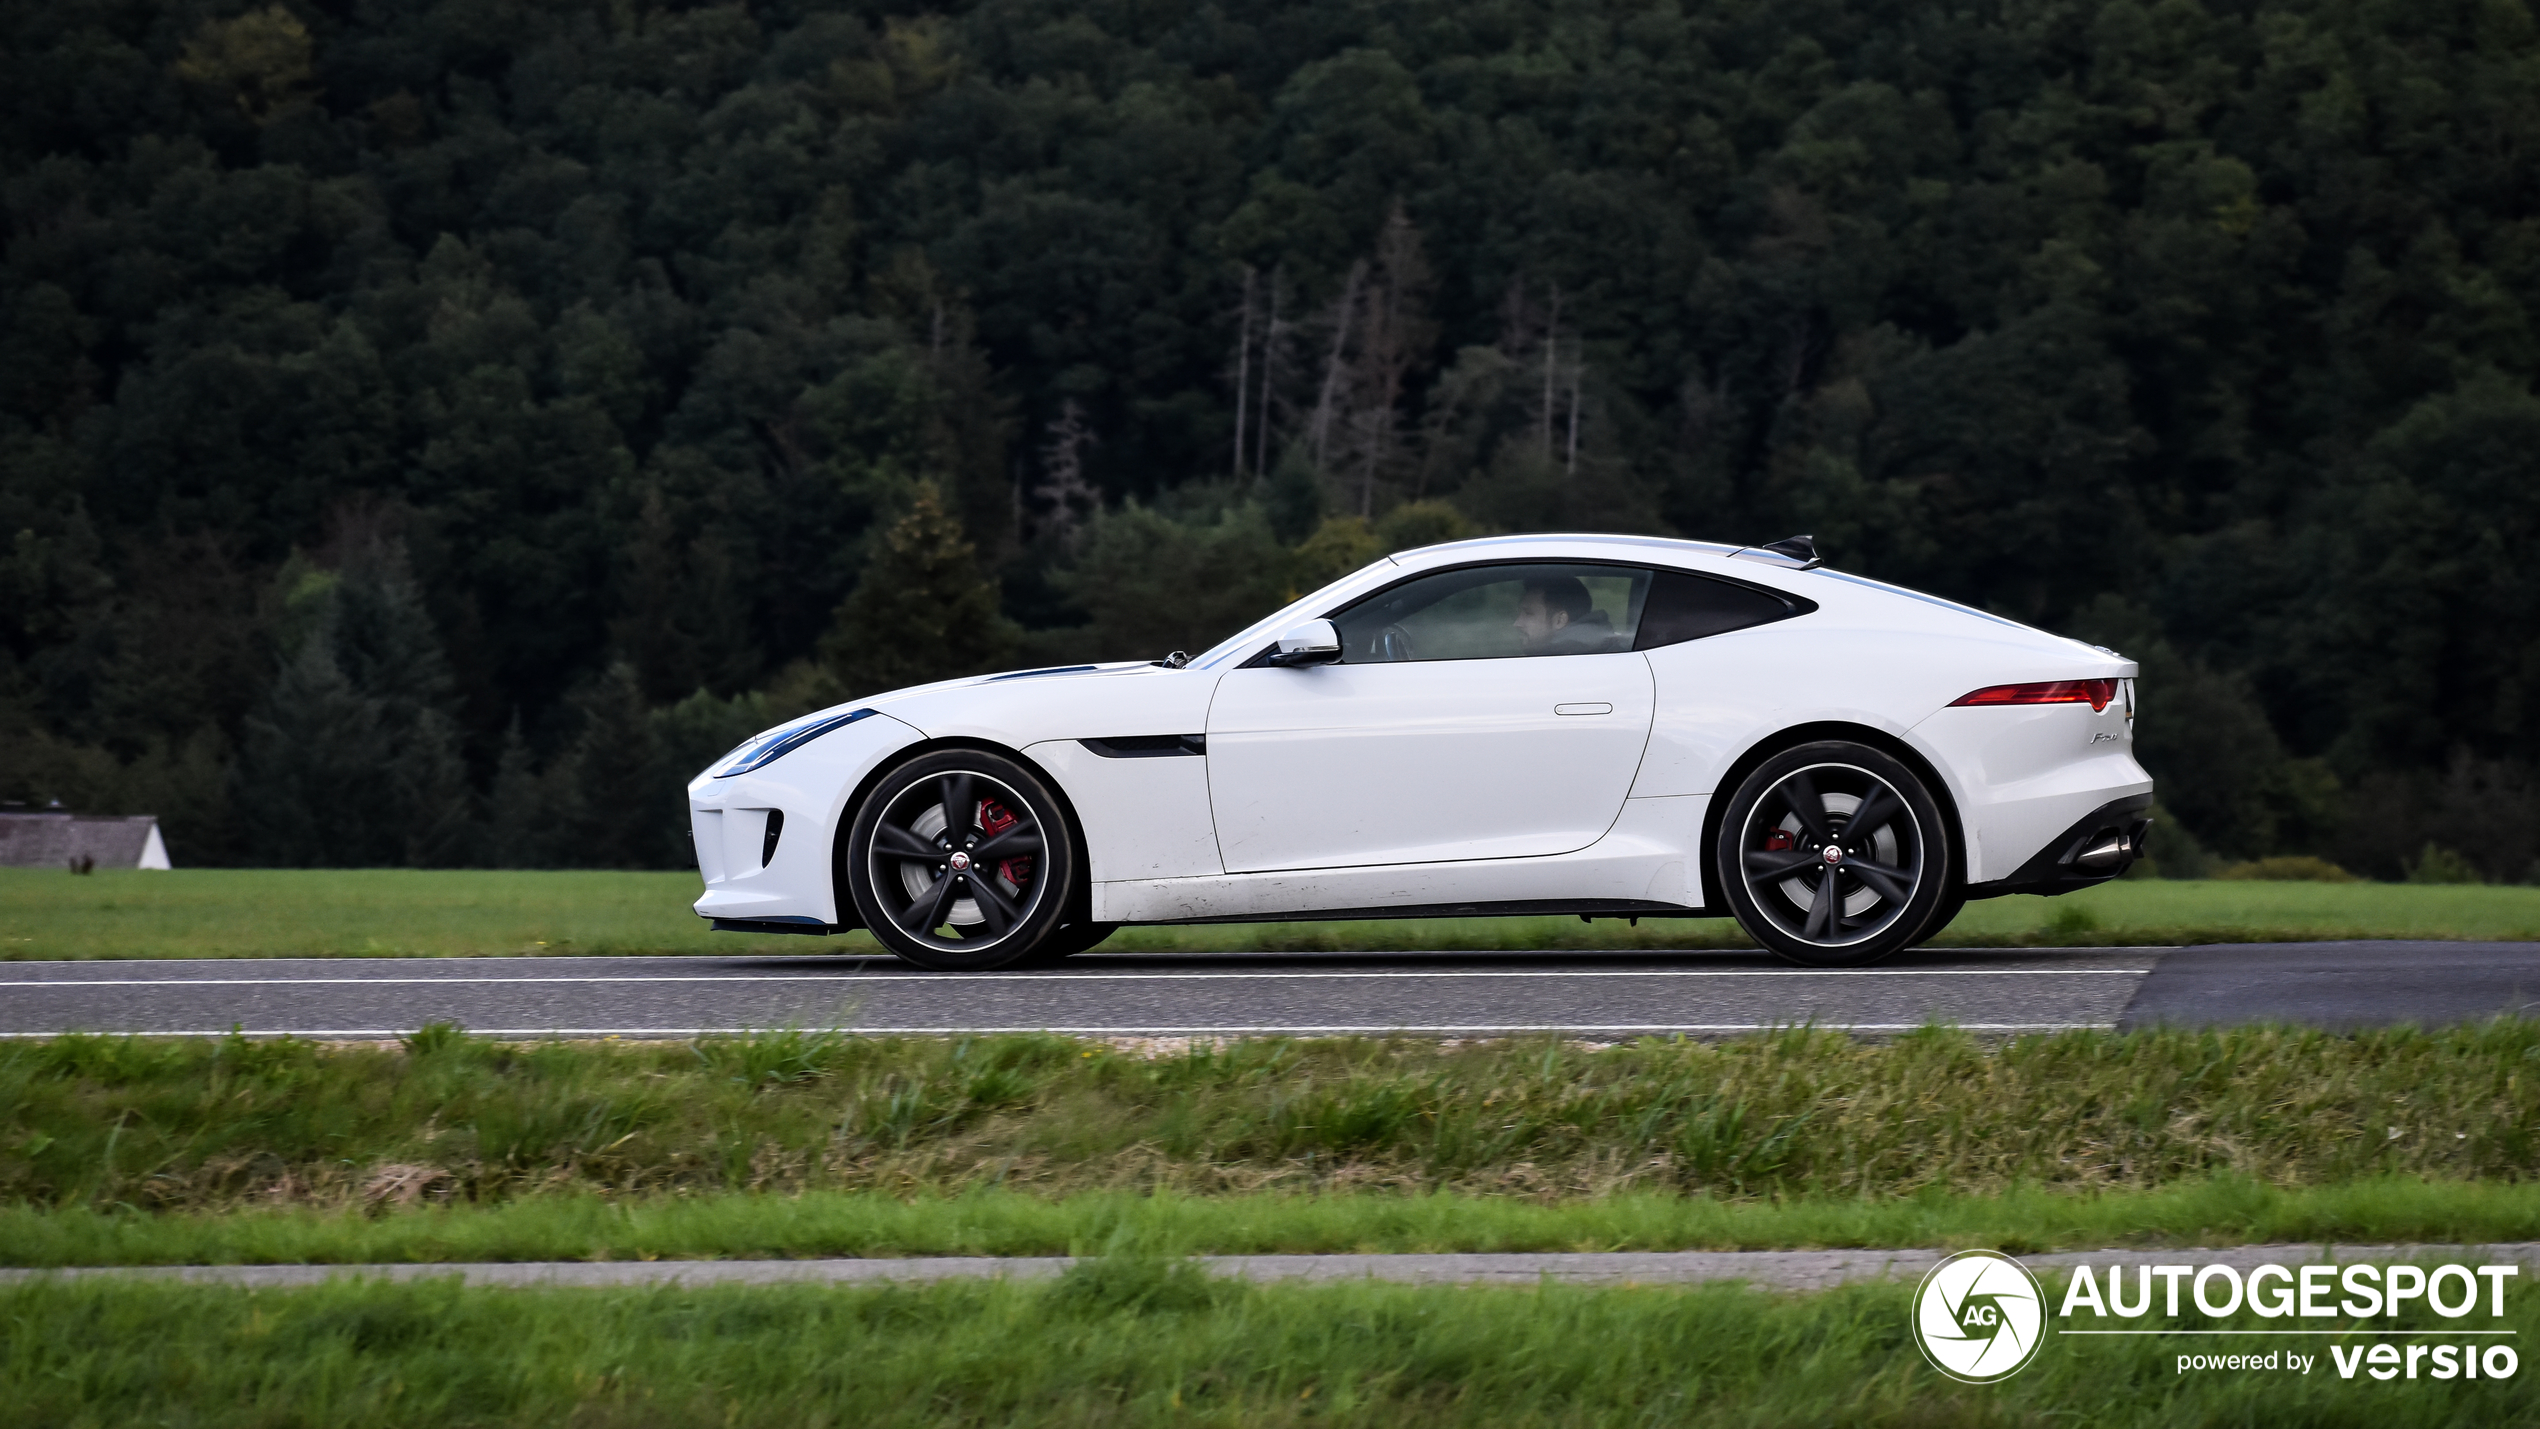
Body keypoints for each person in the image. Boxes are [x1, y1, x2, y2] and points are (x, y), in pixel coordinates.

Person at [1512, 576, 1615, 654]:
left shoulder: (1564, 661)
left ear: (1560, 620)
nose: (1517, 623)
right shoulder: (1592, 652)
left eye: (1528, 613)